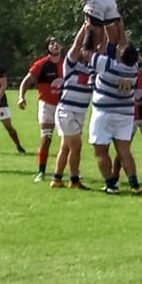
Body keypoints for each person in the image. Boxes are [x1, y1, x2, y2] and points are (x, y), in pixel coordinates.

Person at [87, 28, 142, 195]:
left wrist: (90, 31)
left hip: (104, 112)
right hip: (125, 114)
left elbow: (86, 53)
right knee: (124, 151)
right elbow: (123, 46)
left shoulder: (108, 65)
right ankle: (134, 184)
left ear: (122, 54)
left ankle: (111, 184)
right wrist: (119, 27)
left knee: (100, 150)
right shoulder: (134, 69)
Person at [49, 24, 96, 190]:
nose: (86, 52)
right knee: (76, 146)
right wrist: (86, 26)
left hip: (80, 112)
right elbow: (76, 46)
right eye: (85, 49)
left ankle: (56, 178)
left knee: (66, 147)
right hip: (67, 111)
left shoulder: (93, 68)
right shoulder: (71, 64)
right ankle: (74, 180)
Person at [17, 36, 64, 181]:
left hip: (65, 105)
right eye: (51, 43)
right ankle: (41, 171)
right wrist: (21, 96)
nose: (55, 45)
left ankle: (75, 172)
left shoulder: (68, 63)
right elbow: (26, 80)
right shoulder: (41, 64)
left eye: (57, 43)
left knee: (69, 140)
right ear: (48, 48)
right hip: (47, 105)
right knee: (46, 138)